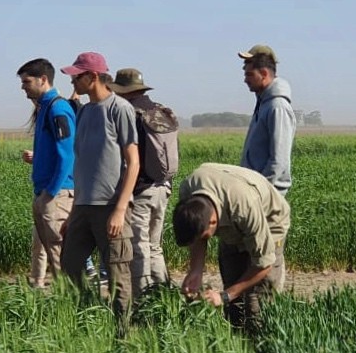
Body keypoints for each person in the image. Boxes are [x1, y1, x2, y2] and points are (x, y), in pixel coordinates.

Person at [57, 51, 140, 331]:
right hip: (82, 206)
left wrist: (119, 209)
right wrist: (72, 212)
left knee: (118, 273)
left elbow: (133, 161)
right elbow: (83, 164)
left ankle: (122, 331)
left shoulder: (119, 109)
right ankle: (87, 319)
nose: (73, 82)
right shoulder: (86, 111)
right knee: (70, 265)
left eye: (76, 77)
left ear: (93, 77)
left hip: (110, 207)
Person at [172, 162, 291, 336]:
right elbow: (197, 232)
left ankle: (260, 346)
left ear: (213, 222)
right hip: (231, 222)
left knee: (258, 302)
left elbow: (264, 264)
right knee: (234, 297)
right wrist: (195, 270)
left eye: (205, 236)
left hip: (269, 222)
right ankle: (236, 342)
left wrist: (225, 296)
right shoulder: (188, 192)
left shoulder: (244, 207)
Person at [111, 67, 181, 297]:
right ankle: (163, 294)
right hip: (164, 186)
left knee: (139, 248)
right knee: (155, 246)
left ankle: (143, 299)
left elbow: (129, 157)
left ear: (123, 91)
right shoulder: (160, 110)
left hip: (141, 189)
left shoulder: (131, 112)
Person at [16, 58, 77, 290]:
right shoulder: (45, 108)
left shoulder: (58, 108)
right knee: (52, 251)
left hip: (58, 194)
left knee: (60, 251)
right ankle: (64, 297)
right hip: (46, 191)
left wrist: (50, 192)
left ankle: (71, 302)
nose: (23, 87)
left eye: (27, 81)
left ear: (43, 80)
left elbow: (67, 154)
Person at [238, 44, 295, 195]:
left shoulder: (277, 107)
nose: (245, 80)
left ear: (263, 73)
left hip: (268, 195)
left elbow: (278, 160)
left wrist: (260, 191)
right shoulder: (264, 103)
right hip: (257, 192)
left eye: (249, 75)